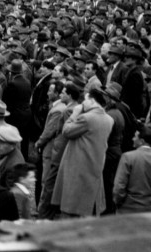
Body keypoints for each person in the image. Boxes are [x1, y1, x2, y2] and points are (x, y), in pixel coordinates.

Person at [51, 88, 114, 218]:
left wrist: (74, 113)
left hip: (77, 168)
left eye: (85, 100)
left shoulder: (86, 118)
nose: (82, 104)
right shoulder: (109, 119)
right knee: (86, 208)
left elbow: (66, 131)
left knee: (70, 210)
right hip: (94, 167)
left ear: (91, 100)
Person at [112, 126, 151, 214]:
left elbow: (119, 187)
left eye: (135, 136)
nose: (133, 139)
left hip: (128, 209)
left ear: (142, 141)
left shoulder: (127, 157)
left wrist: (118, 202)